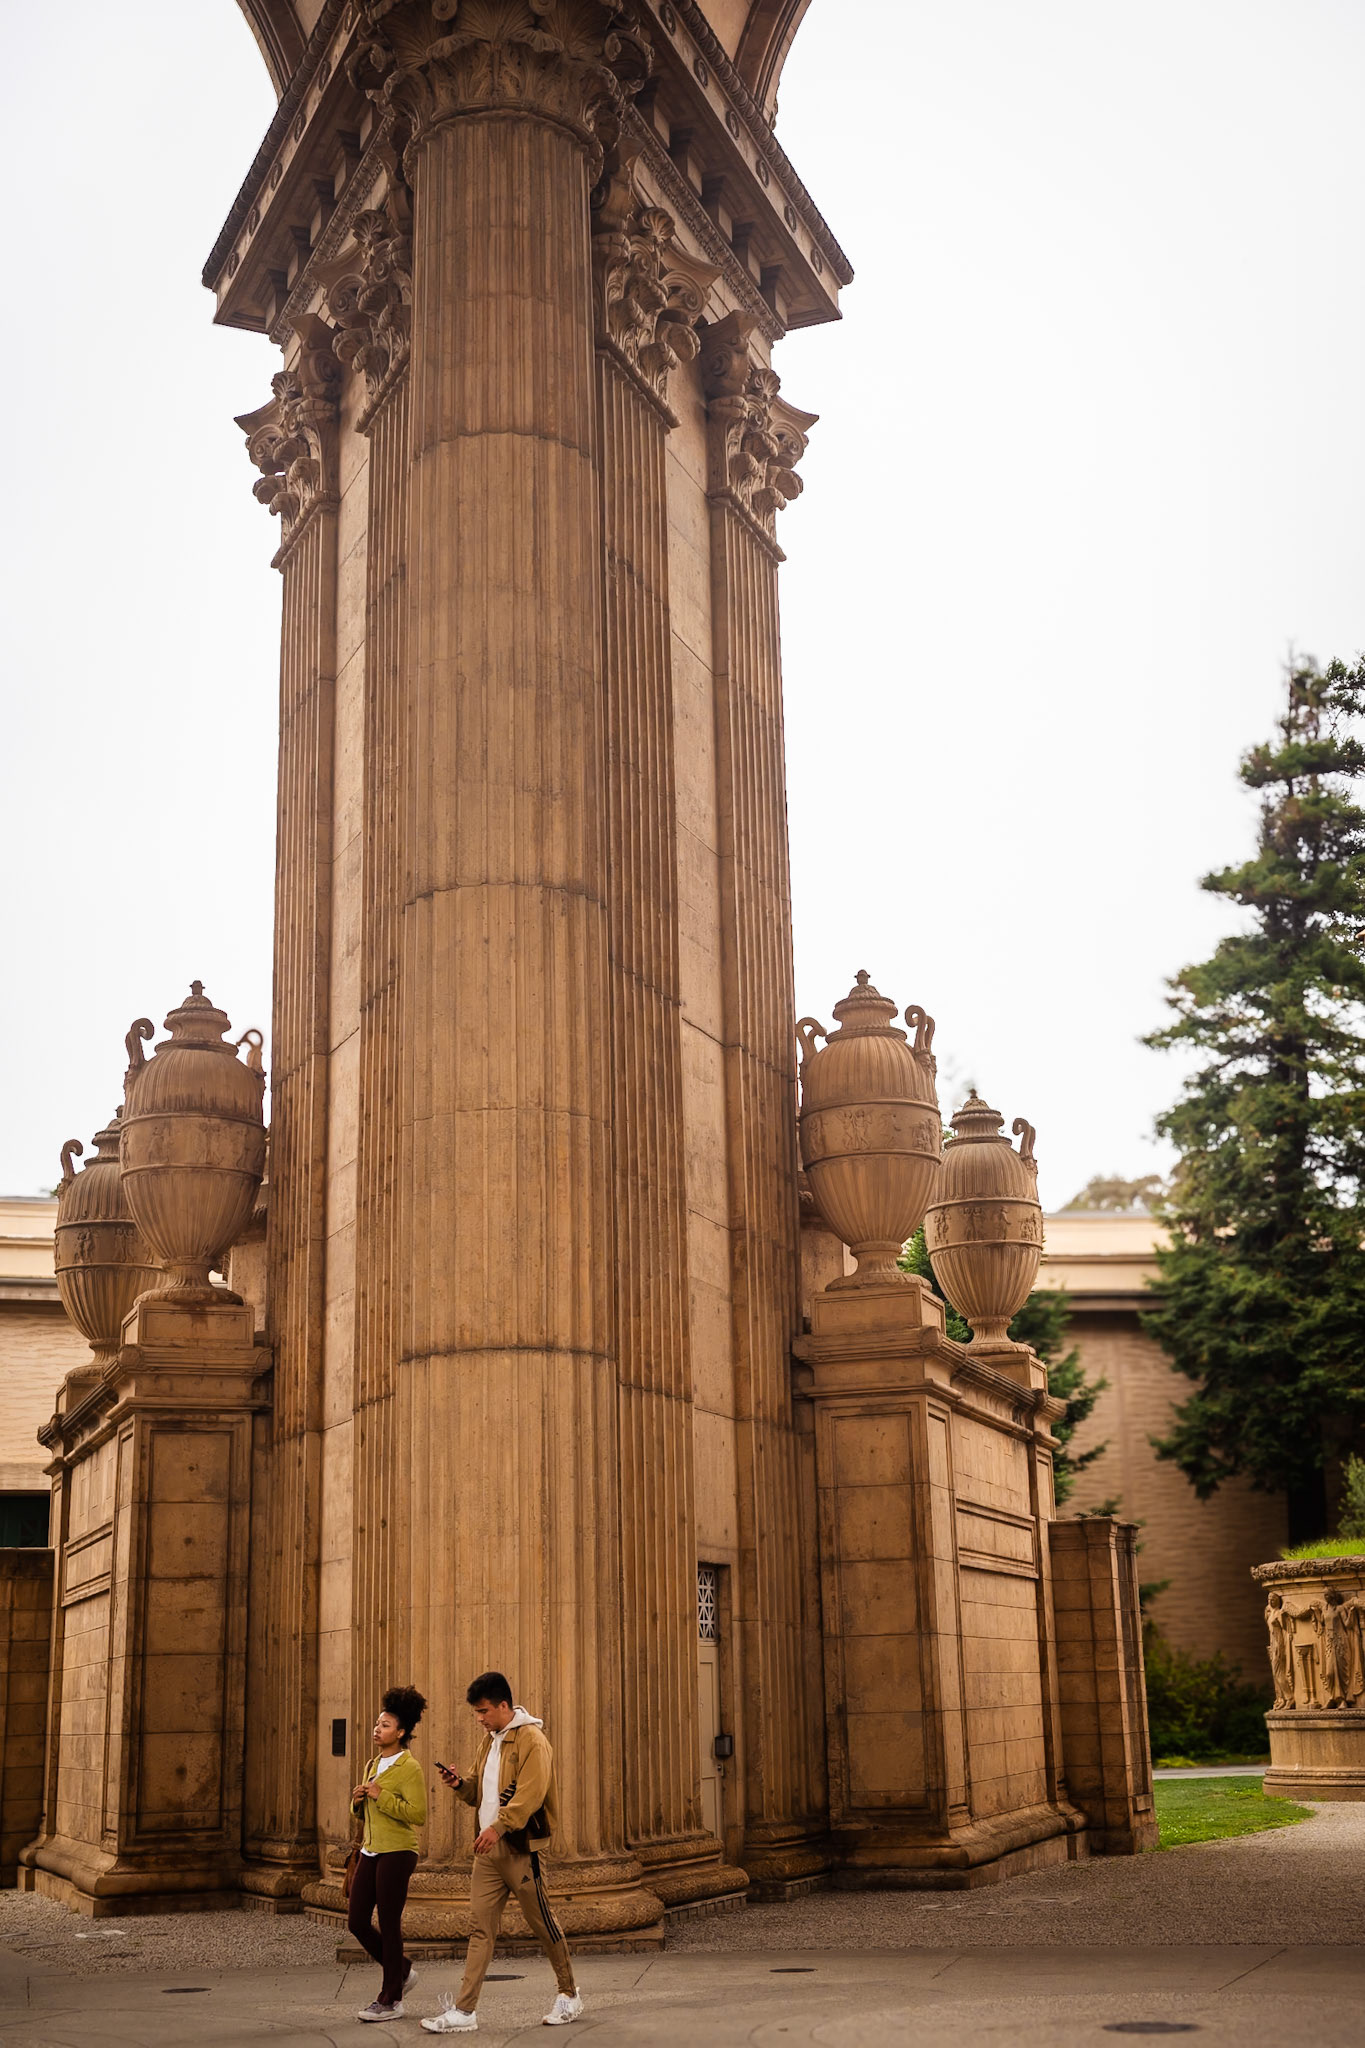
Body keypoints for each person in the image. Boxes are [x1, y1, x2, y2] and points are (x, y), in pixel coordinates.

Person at [421, 1671, 582, 2032]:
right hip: (488, 1853)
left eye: (484, 1711)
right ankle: (464, 2011)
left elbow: (530, 1795)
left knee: (542, 1924)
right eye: (476, 1713)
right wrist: (459, 1784)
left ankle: (569, 1994)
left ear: (504, 1705)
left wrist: (497, 1827)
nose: (479, 1719)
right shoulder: (489, 1741)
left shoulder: (533, 1740)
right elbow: (479, 1791)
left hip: (520, 1851)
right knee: (480, 1929)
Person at [350, 1684, 429, 2024]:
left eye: (384, 1725)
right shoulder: (373, 1763)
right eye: (377, 1723)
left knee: (389, 1921)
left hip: (398, 1851)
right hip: (371, 1849)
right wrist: (357, 1801)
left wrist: (381, 1796)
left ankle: (391, 1999)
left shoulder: (410, 1767)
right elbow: (364, 1813)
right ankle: (403, 1970)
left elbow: (417, 1814)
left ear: (400, 1732)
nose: (377, 1729)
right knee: (356, 1921)